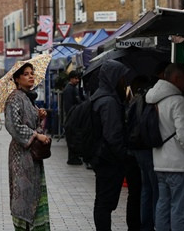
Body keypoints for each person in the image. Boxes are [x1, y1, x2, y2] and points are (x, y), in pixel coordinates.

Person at [145, 63, 184, 231]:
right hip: (180, 166)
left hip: (160, 163)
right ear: (176, 79)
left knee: (163, 206)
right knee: (180, 211)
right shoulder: (178, 101)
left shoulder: (153, 98)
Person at [4, 62, 51, 231]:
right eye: (26, 74)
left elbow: (32, 124)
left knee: (35, 191)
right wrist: (36, 135)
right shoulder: (14, 98)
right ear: (17, 79)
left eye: (32, 73)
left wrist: (39, 117)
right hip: (20, 156)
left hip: (32, 156)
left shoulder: (27, 98)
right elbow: (13, 126)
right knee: (23, 193)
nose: (31, 76)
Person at [90, 59, 133, 231]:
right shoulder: (108, 102)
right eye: (121, 77)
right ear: (113, 77)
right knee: (104, 203)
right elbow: (112, 135)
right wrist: (124, 156)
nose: (124, 81)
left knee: (102, 200)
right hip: (109, 159)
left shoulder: (100, 97)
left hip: (102, 157)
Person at [127, 75, 157, 231]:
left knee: (145, 189)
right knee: (154, 190)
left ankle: (144, 225)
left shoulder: (135, 99)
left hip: (135, 149)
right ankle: (150, 225)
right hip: (146, 148)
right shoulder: (147, 100)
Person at [63, 70, 84, 165]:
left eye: (78, 78)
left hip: (74, 117)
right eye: (75, 78)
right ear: (71, 78)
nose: (77, 80)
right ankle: (73, 158)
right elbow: (69, 106)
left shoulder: (73, 88)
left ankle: (74, 158)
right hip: (72, 118)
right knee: (73, 139)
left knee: (74, 138)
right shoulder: (69, 89)